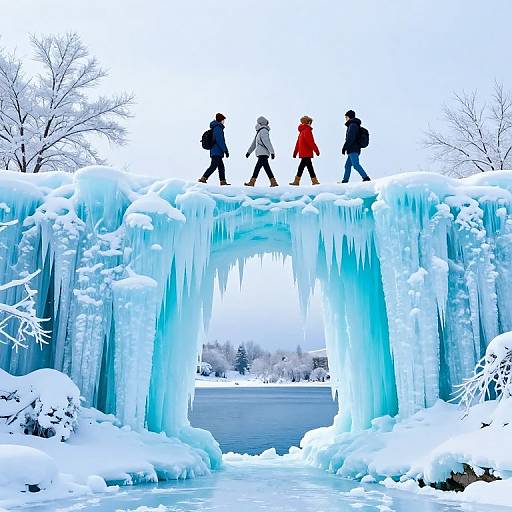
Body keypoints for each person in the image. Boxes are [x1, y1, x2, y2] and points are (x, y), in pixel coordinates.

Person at [244, 116, 278, 187]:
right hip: (262, 153)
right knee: (265, 167)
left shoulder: (262, 131)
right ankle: (273, 182)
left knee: (258, 167)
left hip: (262, 153)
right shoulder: (261, 131)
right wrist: (249, 152)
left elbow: (266, 141)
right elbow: (254, 143)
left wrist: (272, 152)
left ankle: (252, 182)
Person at [198, 113, 230, 185]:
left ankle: (223, 181)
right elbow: (220, 140)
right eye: (223, 120)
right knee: (213, 166)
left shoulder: (215, 128)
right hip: (217, 151)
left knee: (221, 167)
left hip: (215, 151)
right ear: (221, 120)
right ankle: (203, 178)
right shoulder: (218, 128)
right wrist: (225, 150)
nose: (224, 122)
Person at [341, 110, 371, 183]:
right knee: (347, 166)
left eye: (346, 117)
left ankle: (366, 178)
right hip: (353, 148)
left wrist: (344, 147)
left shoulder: (352, 125)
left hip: (353, 148)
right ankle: (345, 181)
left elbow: (350, 138)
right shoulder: (354, 125)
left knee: (355, 165)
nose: (345, 119)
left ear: (349, 117)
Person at [290, 116, 320, 185]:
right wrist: (316, 150)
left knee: (302, 167)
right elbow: (311, 142)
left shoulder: (301, 132)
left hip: (303, 153)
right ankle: (314, 181)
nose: (311, 124)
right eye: (310, 122)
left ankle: (296, 181)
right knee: (309, 167)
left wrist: (295, 153)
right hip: (307, 153)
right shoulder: (307, 130)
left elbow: (297, 144)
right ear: (308, 122)